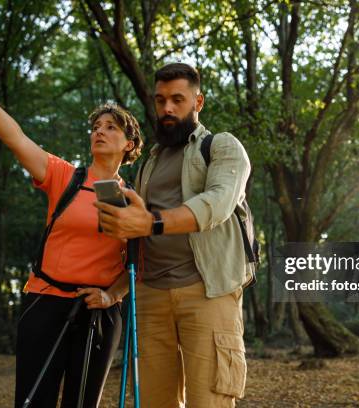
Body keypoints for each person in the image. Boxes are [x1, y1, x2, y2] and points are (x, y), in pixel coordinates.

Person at [0, 53, 143, 407]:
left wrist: (112, 296)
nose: (99, 130)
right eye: (96, 126)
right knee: (33, 401)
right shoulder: (64, 176)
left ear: (129, 144)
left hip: (97, 311)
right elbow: (15, 138)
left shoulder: (133, 201)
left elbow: (138, 265)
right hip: (45, 301)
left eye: (111, 127)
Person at [95, 63, 251, 407]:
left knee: (210, 401)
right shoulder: (150, 162)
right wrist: (115, 292)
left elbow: (217, 204)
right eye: (161, 100)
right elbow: (139, 237)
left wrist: (152, 222)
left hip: (207, 293)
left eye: (178, 99)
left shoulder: (222, 147)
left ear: (198, 102)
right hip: (150, 297)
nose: (167, 108)